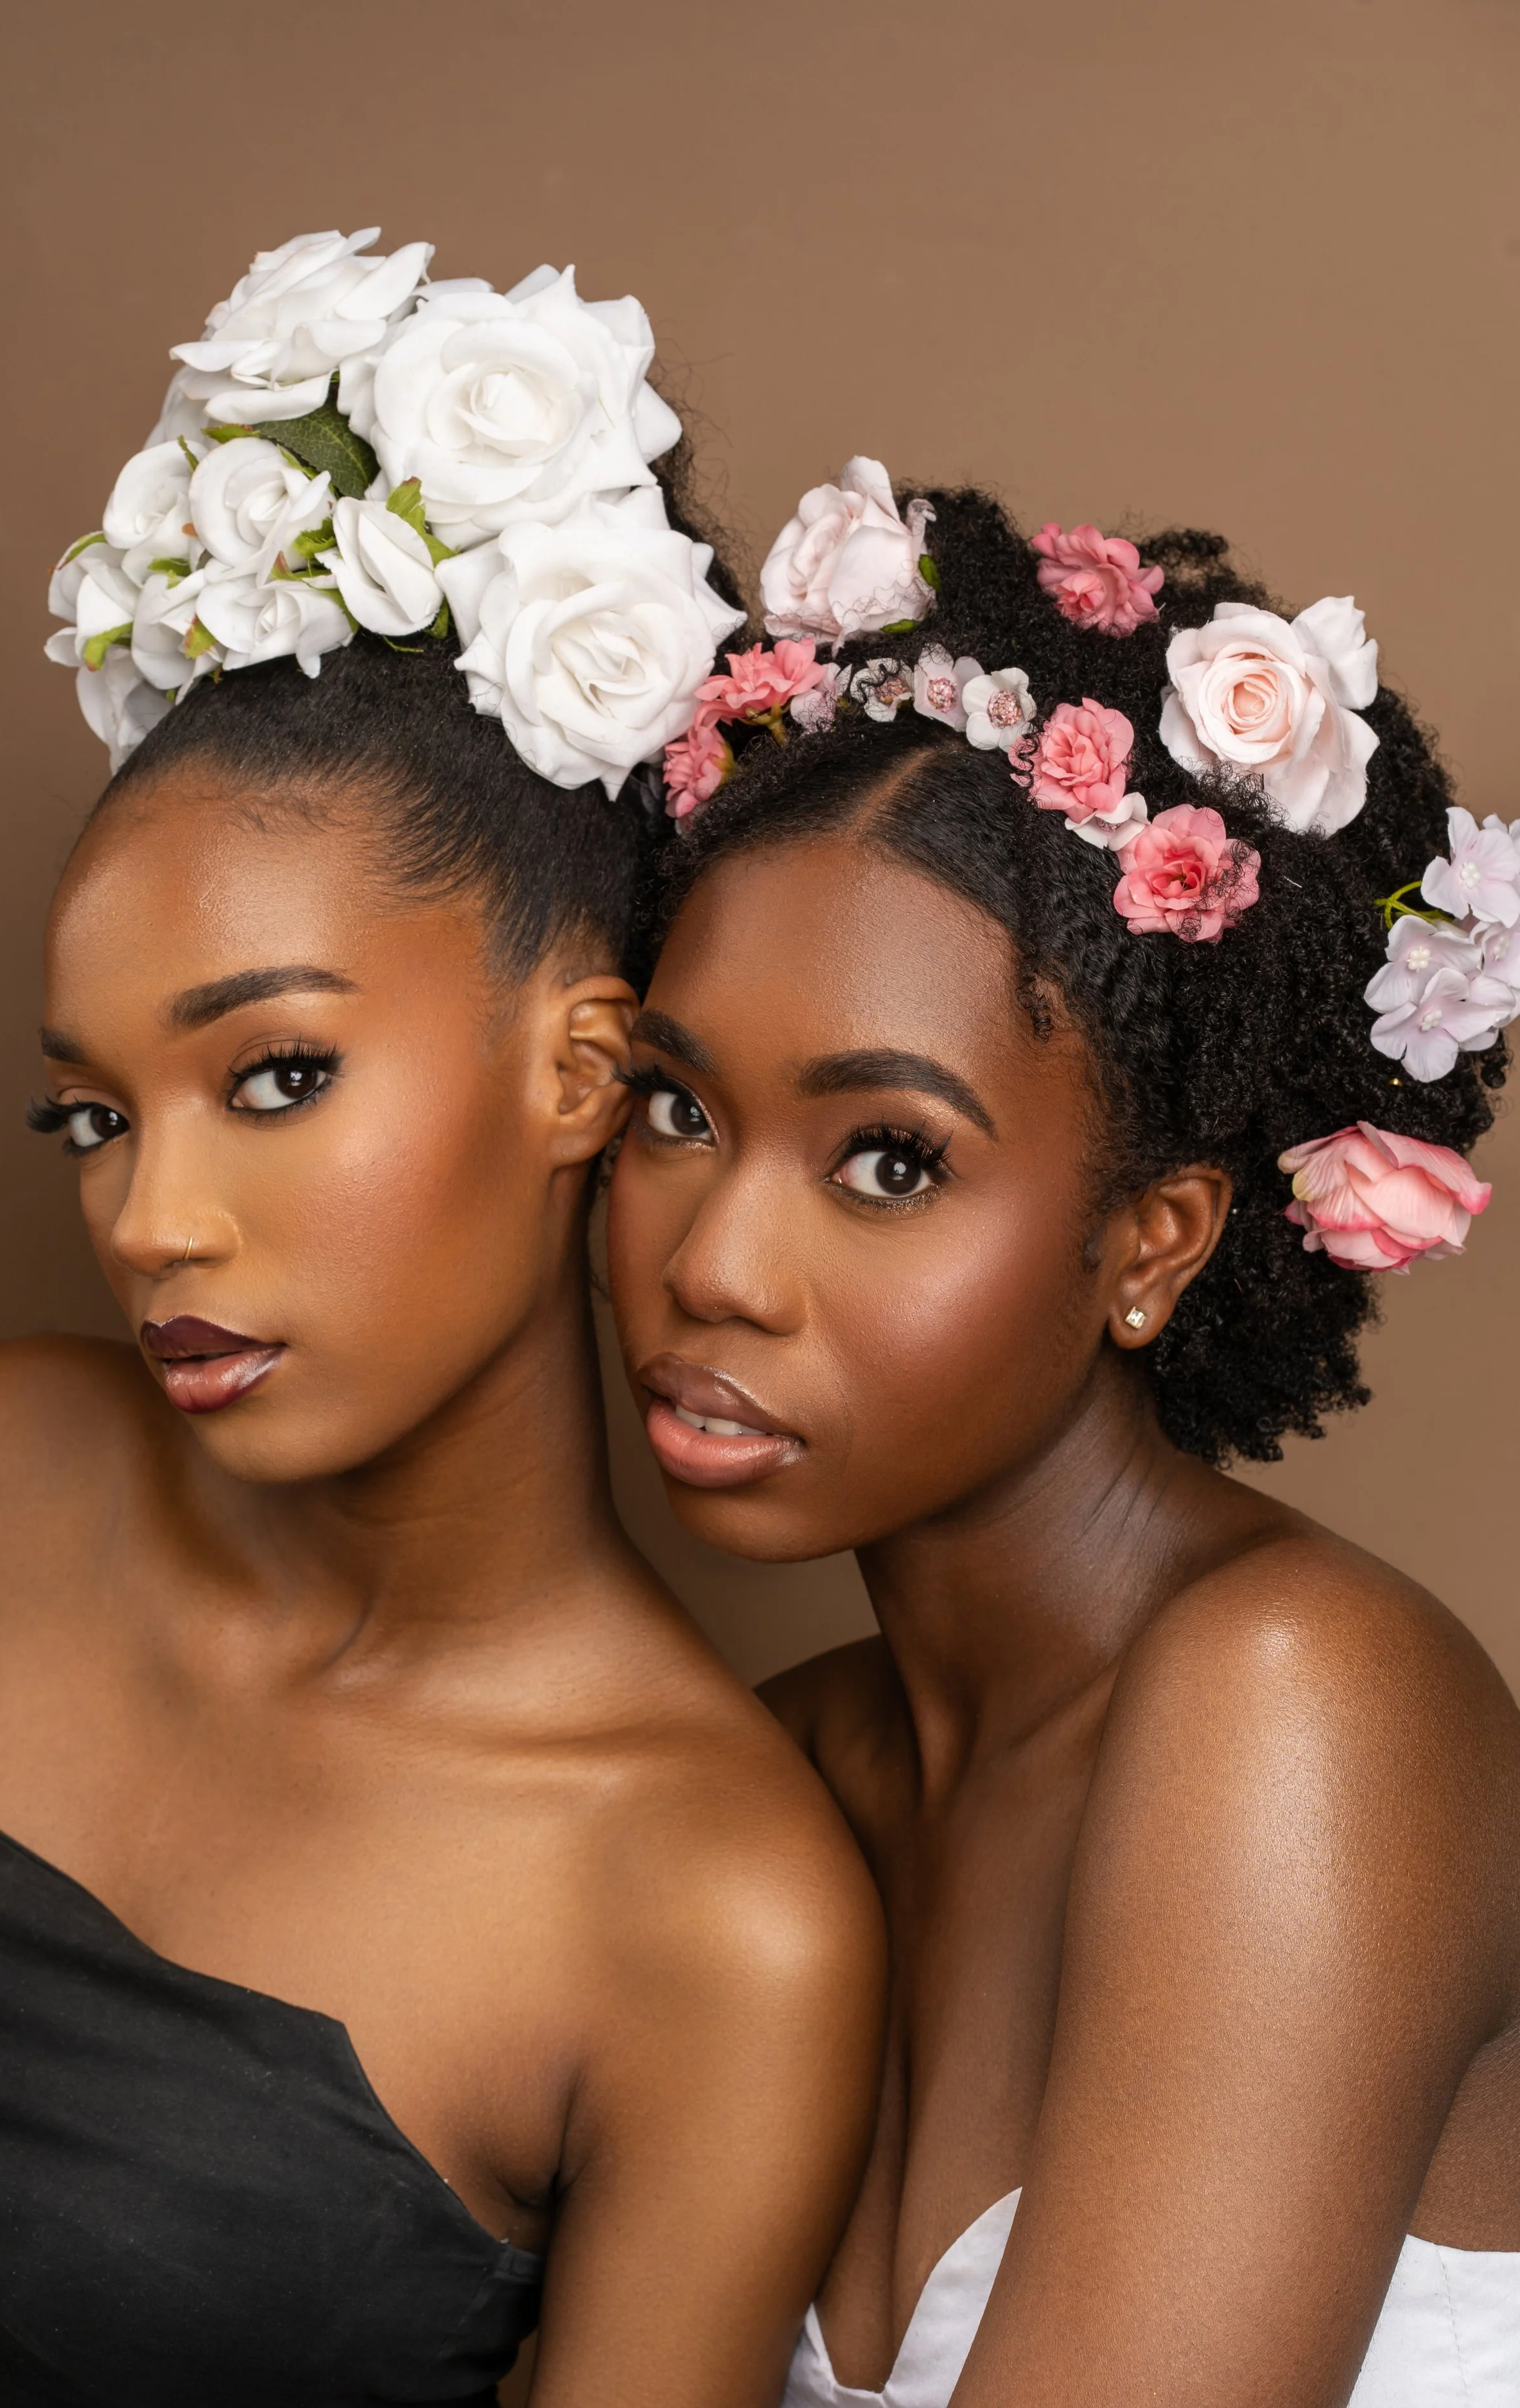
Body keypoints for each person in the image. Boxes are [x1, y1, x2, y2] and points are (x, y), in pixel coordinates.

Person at [0, 234, 883, 2408]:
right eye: (90, 1111)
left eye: (274, 1076)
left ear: (576, 1069)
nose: (152, 1219)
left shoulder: (708, 1909)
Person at [607, 462, 1520, 2405]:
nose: (715, 1262)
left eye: (883, 1159)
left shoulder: (1306, 1706)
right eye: (678, 1111)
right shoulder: (783, 1781)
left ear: (1148, 1241)